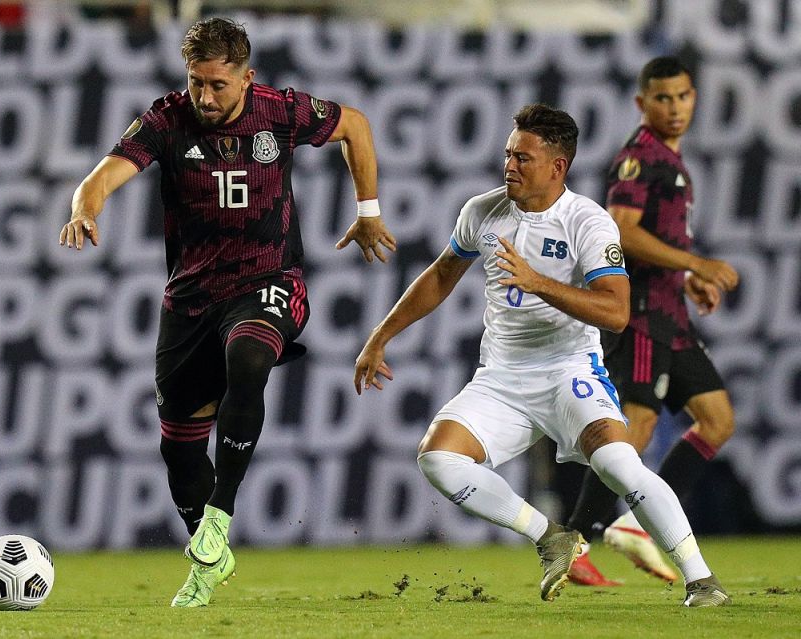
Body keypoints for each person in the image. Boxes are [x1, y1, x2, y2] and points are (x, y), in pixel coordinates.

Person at [59, 17, 396, 607]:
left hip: (270, 282)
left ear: (247, 78)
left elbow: (357, 126)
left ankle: (222, 512)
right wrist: (86, 208)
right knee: (180, 449)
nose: (205, 97)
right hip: (190, 301)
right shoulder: (167, 120)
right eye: (196, 84)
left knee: (248, 358)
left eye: (218, 85)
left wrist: (368, 209)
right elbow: (103, 175)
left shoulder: (283, 111)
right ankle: (208, 551)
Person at [353, 103, 729, 607]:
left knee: (619, 463)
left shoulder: (587, 222)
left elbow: (616, 312)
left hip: (570, 371)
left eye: (522, 158)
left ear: (558, 166)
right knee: (438, 459)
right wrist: (381, 335)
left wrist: (537, 282)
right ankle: (551, 536)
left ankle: (701, 580)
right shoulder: (481, 212)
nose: (509, 165)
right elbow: (442, 276)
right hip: (502, 380)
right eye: (508, 154)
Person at [565, 56, 740, 588]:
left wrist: (686, 280)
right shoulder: (641, 157)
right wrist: (697, 263)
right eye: (662, 98)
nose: (674, 107)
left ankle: (636, 526)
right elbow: (622, 232)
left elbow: (656, 242)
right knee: (633, 431)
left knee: (716, 420)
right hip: (640, 316)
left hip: (672, 314)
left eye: (682, 96)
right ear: (642, 104)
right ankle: (573, 543)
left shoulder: (673, 160)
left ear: (694, 98)